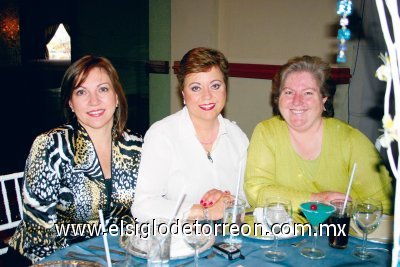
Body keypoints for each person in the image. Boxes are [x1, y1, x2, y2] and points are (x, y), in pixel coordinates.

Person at [7, 55, 142, 264]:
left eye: (103, 89)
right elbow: (38, 234)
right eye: (81, 92)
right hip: (48, 258)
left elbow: (140, 213)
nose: (94, 100)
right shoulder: (51, 146)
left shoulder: (135, 145)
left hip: (109, 255)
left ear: (116, 96)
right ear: (70, 103)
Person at [244, 55, 393, 222]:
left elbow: (384, 205)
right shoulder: (266, 132)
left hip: (341, 238)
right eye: (288, 92)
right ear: (278, 98)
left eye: (308, 92)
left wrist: (347, 209)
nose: (296, 101)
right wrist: (318, 199)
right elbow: (257, 192)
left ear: (324, 99)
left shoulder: (351, 140)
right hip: (281, 237)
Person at [131, 47, 249, 222]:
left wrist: (227, 200)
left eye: (215, 85)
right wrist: (202, 211)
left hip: (228, 241)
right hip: (179, 243)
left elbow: (247, 201)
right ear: (183, 94)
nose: (207, 96)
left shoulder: (237, 137)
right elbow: (143, 206)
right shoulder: (162, 135)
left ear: (226, 89)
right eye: (195, 88)